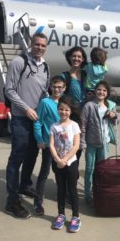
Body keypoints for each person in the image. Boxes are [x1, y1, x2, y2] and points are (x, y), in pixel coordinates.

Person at [4, 32, 50, 219]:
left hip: (37, 120)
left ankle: (24, 185)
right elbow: (9, 90)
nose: (40, 47)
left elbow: (44, 92)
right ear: (31, 44)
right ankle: (11, 200)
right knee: (17, 157)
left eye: (43, 45)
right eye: (37, 44)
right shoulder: (19, 62)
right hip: (21, 119)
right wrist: (26, 109)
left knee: (32, 154)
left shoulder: (45, 66)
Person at [80, 80, 119, 205]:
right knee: (90, 169)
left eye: (104, 90)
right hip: (91, 143)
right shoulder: (89, 106)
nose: (101, 92)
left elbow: (116, 123)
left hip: (104, 143)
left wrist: (114, 116)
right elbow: (83, 126)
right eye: (99, 89)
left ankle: (99, 192)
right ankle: (88, 195)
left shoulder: (110, 106)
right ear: (95, 91)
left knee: (102, 170)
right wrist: (83, 143)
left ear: (107, 93)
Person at [32, 75, 66, 215]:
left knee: (61, 173)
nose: (57, 89)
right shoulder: (45, 102)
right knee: (44, 173)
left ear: (64, 89)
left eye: (60, 87)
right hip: (48, 145)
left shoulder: (65, 103)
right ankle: (38, 202)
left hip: (63, 147)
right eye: (54, 86)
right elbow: (38, 122)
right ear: (50, 87)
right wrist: (40, 139)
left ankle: (63, 197)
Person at [49, 95, 81, 233]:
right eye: (61, 109)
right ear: (58, 110)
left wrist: (65, 160)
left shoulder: (74, 125)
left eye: (66, 110)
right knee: (60, 190)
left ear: (71, 111)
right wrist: (57, 159)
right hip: (58, 163)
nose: (63, 112)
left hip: (71, 163)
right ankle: (61, 214)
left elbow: (76, 146)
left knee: (72, 190)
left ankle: (75, 217)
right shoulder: (54, 126)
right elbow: (51, 144)